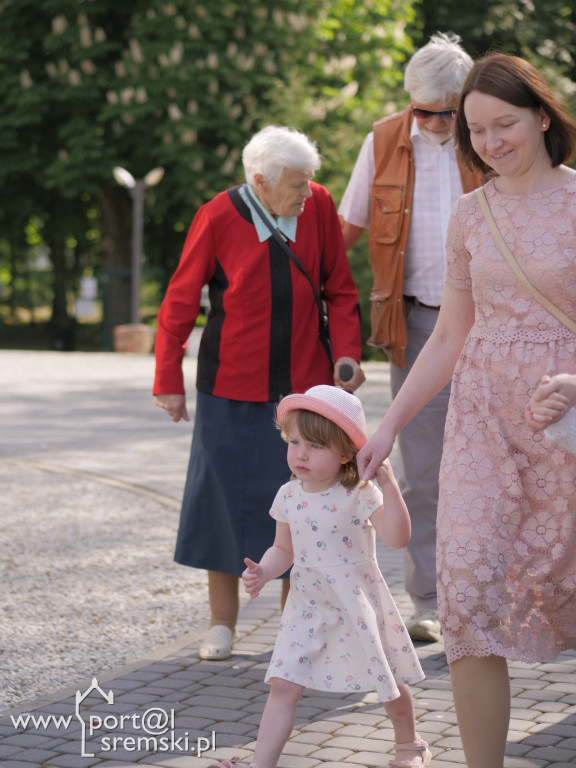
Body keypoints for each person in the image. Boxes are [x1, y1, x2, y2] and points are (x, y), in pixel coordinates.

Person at [357, 53, 576, 768]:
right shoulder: (469, 215)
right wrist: (385, 426)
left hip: (566, 430)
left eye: (504, 124)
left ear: (543, 115)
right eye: (475, 131)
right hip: (483, 425)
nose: (490, 143)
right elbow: (450, 333)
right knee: (470, 587)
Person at [153, 126, 364, 661]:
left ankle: (299, 625)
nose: (306, 193)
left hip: (304, 388)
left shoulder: (317, 205)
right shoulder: (218, 215)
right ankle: (222, 624)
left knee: (307, 511)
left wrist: (347, 353)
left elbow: (338, 286)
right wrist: (168, 380)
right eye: (295, 185)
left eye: (309, 181)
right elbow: (179, 302)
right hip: (230, 386)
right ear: (260, 182)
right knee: (221, 505)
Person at [338, 33, 485, 643]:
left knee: (499, 465)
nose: (434, 123)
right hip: (419, 322)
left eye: (447, 111)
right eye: (422, 111)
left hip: (496, 320)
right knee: (424, 471)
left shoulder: (490, 134)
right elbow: (343, 229)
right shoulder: (382, 140)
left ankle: (492, 593)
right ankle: (427, 599)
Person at [210, 385, 431, 768]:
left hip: (355, 602)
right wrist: (264, 570)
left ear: (346, 452)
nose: (300, 454)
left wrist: (389, 484)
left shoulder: (360, 492)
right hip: (308, 606)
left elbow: (398, 538)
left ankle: (410, 745)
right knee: (282, 684)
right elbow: (284, 549)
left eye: (315, 446)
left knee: (387, 681)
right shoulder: (288, 495)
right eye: (294, 442)